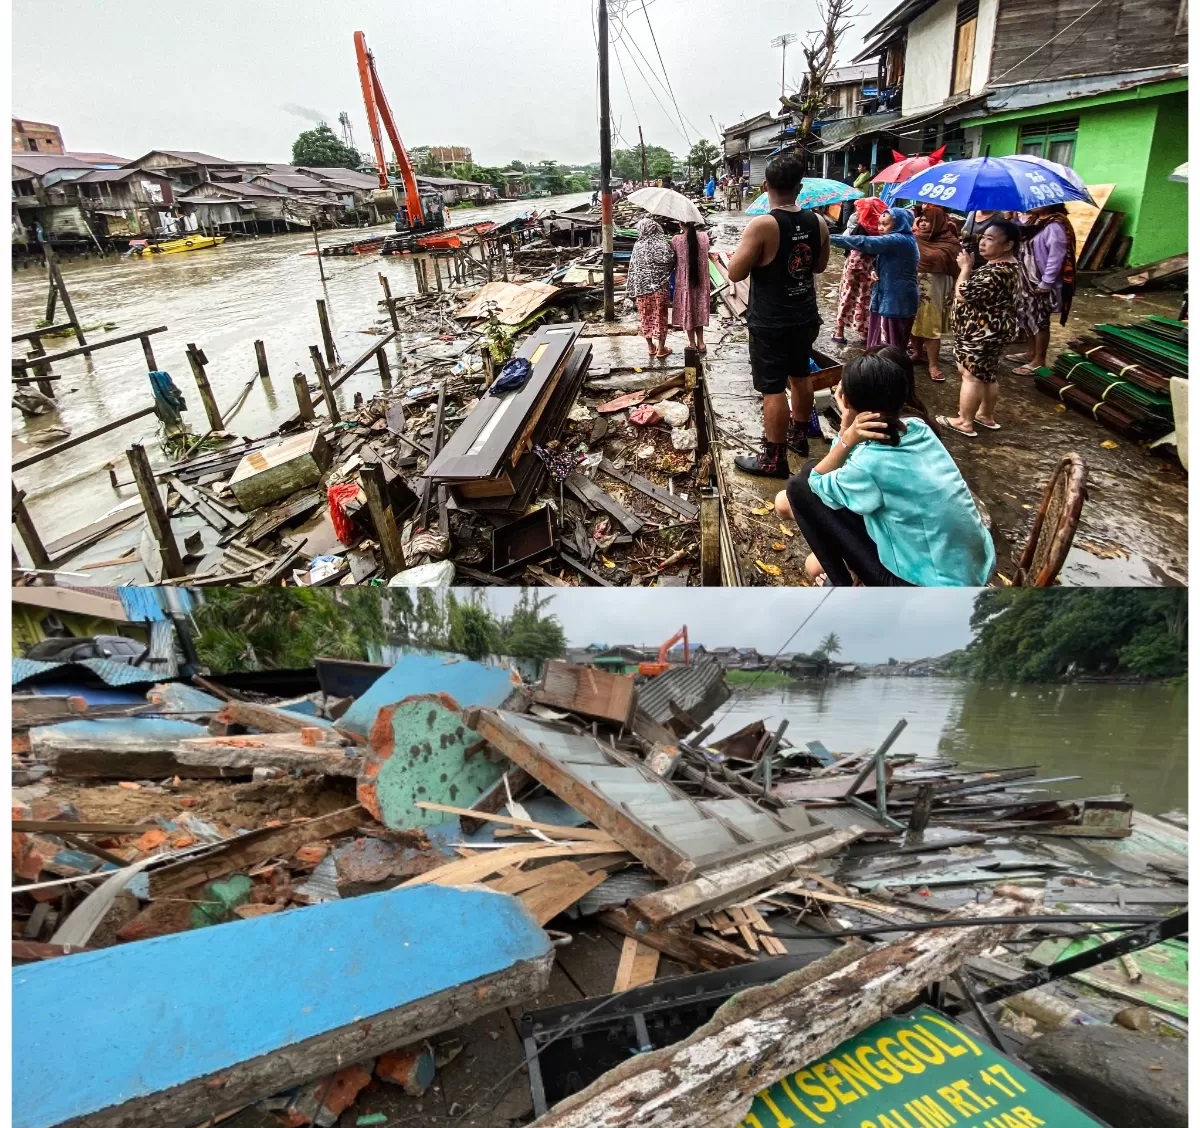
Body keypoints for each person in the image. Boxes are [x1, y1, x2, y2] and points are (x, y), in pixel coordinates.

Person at [775, 352, 995, 586]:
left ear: (846, 401)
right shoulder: (918, 427)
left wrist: (847, 434)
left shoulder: (868, 463)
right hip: (975, 566)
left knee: (799, 486)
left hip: (927, 585)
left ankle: (841, 587)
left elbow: (816, 483)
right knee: (807, 479)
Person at [726, 153, 829, 477]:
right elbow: (820, 266)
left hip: (771, 321)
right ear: (800, 187)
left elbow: (734, 272)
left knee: (771, 388)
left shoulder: (763, 225)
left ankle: (773, 458)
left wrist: (751, 254)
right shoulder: (819, 222)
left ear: (765, 185)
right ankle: (799, 437)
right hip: (804, 315)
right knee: (800, 375)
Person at [938, 219, 1023, 437]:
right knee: (986, 373)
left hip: (981, 333)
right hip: (994, 331)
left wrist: (965, 268)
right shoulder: (1007, 266)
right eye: (983, 237)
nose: (983, 243)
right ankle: (985, 415)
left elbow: (962, 293)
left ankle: (964, 422)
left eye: (990, 239)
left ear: (1007, 245)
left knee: (971, 376)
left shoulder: (997, 272)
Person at [829, 208, 920, 352]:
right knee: (880, 344)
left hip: (896, 301)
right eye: (880, 223)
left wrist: (828, 238)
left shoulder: (900, 239)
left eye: (886, 224)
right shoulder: (899, 241)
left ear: (899, 224)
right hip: (885, 297)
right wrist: (874, 271)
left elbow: (865, 242)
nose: (881, 228)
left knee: (891, 349)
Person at [1009, 204, 1078, 375]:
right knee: (1027, 317)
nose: (1033, 205)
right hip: (1026, 278)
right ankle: (1030, 353)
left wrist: (1046, 283)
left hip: (1041, 282)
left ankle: (1039, 360)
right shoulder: (1035, 220)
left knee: (1040, 321)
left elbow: (1057, 257)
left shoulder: (1055, 226)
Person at [910, 204, 962, 382]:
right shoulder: (914, 237)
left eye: (929, 221)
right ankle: (917, 352)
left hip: (936, 287)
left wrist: (956, 287)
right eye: (922, 220)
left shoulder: (950, 242)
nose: (923, 224)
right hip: (912, 284)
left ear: (939, 222)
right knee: (913, 320)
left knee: (931, 325)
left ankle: (933, 364)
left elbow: (958, 267)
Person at [832, 197, 888, 345]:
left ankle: (847, 331)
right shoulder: (872, 228)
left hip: (861, 269)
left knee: (853, 298)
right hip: (863, 269)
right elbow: (855, 254)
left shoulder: (866, 226)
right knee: (860, 299)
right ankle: (853, 332)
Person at [626, 218, 675, 362]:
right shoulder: (661, 244)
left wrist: (630, 290)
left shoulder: (638, 245)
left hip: (642, 289)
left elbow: (633, 268)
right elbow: (670, 260)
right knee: (660, 317)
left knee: (645, 317)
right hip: (659, 288)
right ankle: (661, 348)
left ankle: (650, 347)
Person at [671, 221, 712, 353]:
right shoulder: (705, 237)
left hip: (685, 284)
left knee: (688, 311)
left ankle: (692, 343)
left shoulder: (676, 240)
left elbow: (672, 259)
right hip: (701, 282)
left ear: (680, 224)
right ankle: (701, 343)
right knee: (699, 310)